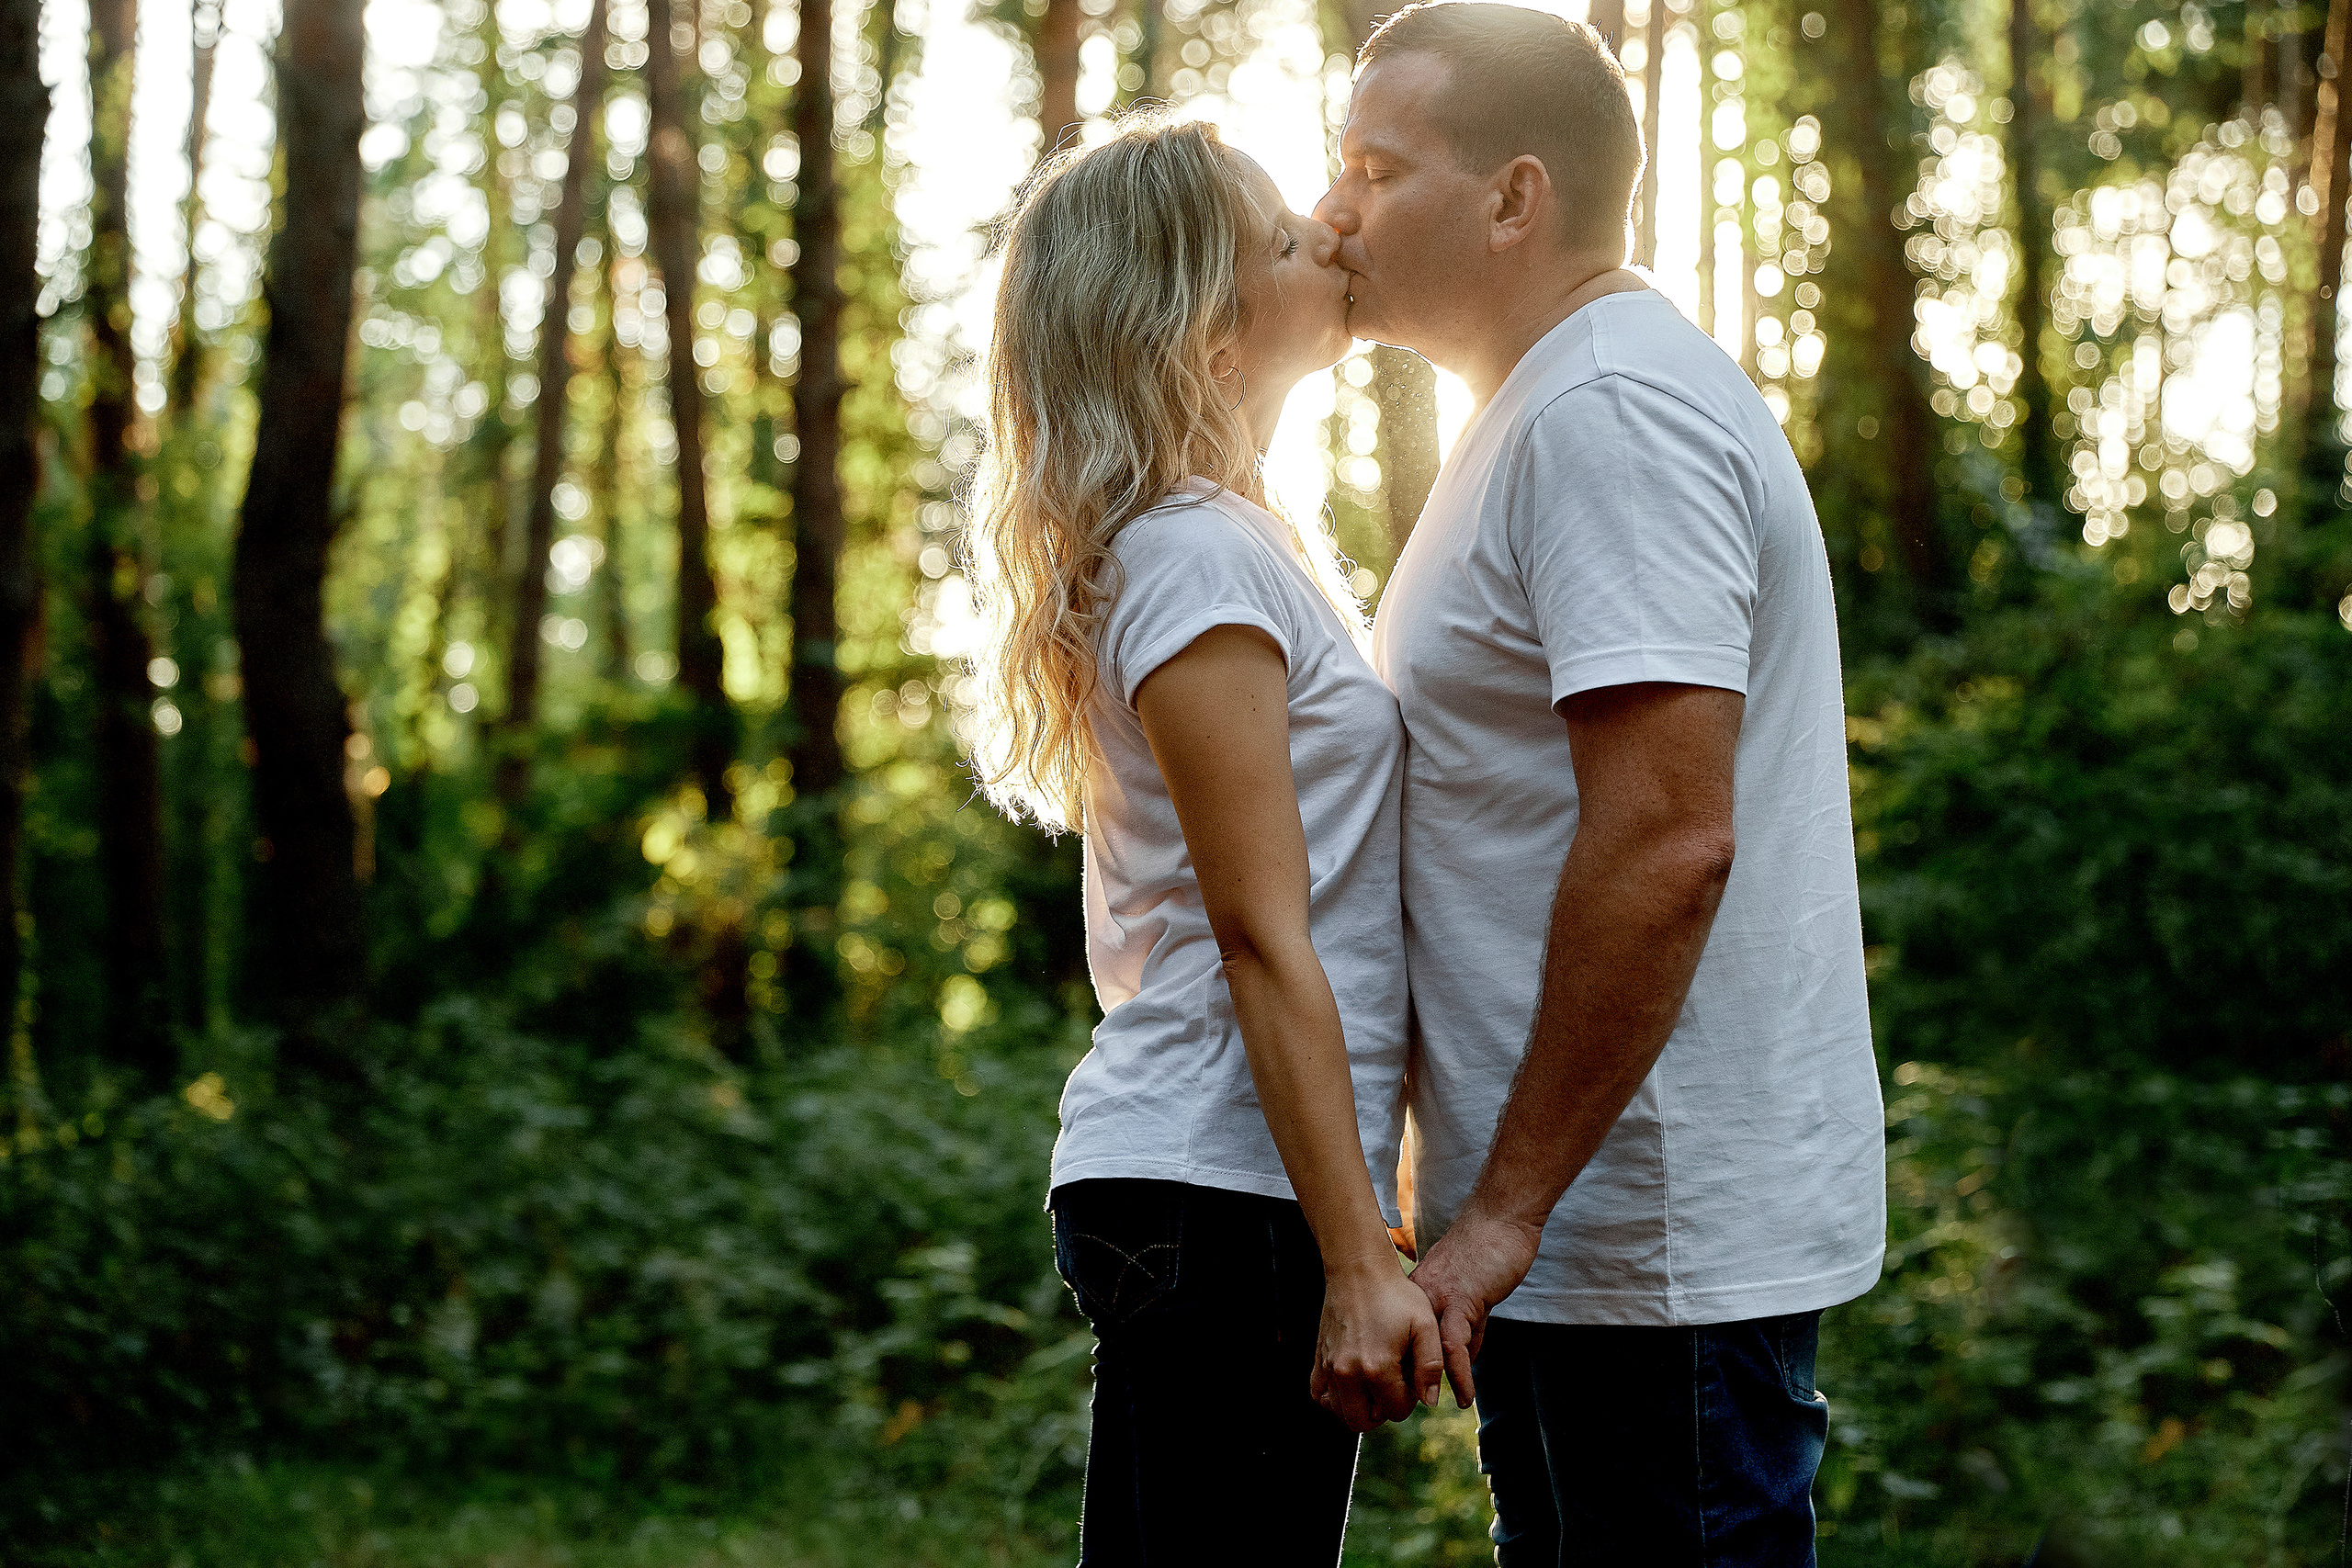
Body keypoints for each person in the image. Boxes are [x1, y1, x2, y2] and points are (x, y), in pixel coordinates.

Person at [1311, 6, 1887, 1563]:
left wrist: (1503, 1212)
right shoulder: (1543, 407)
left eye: (1374, 167)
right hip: (1589, 1246)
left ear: (1514, 198)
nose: (1332, 212)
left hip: (1646, 1245)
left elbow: (1667, 839)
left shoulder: (1608, 410)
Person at [960, 115, 1442, 1564]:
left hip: (1231, 1183)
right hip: (1219, 1190)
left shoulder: (1225, 542)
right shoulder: (1195, 559)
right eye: (1289, 243)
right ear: (1208, 333)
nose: (1332, 238)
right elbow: (1258, 929)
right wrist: (1359, 1253)